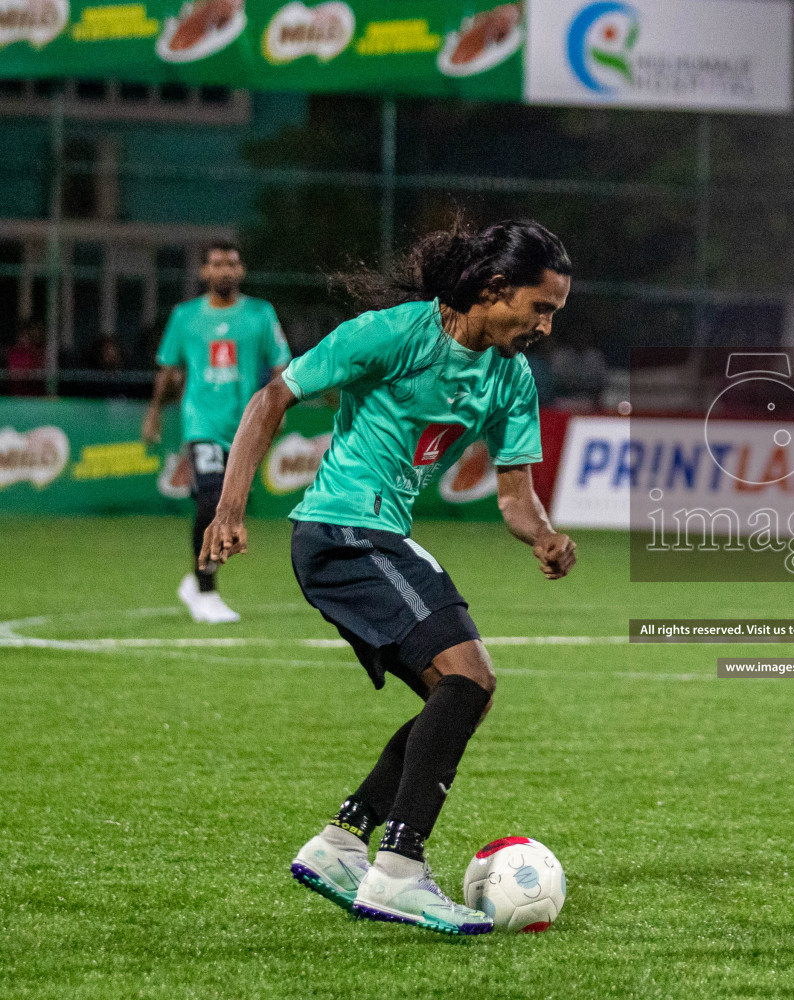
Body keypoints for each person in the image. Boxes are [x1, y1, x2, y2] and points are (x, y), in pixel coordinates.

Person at [200, 219, 577, 936]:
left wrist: (544, 534)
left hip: (374, 535)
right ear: (495, 290)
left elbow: (514, 494)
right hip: (343, 529)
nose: (547, 326)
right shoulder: (395, 334)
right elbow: (271, 398)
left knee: (459, 694)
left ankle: (344, 842)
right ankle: (398, 869)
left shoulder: (509, 376)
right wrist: (230, 507)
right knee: (470, 677)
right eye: (541, 307)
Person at [142, 242, 290, 624]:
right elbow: (168, 368)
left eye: (232, 263)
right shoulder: (185, 316)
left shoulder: (260, 314)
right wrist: (155, 414)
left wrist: (281, 406)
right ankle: (206, 593)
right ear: (205, 273)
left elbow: (279, 364)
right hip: (201, 423)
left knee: (231, 508)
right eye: (217, 264)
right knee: (210, 500)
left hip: (244, 426)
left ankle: (197, 580)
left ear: (241, 271)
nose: (224, 270)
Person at [5, 319, 46, 396]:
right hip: (18, 394)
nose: (25, 339)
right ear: (18, 337)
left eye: (28, 336)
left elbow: (40, 370)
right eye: (23, 336)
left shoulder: (35, 351)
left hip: (36, 395)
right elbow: (14, 373)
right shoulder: (13, 352)